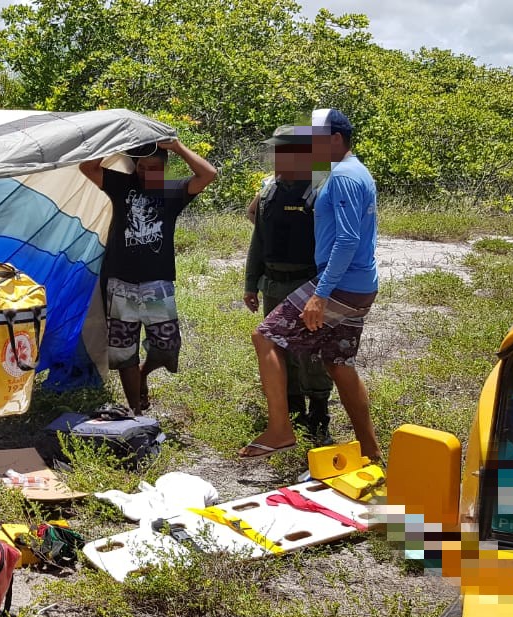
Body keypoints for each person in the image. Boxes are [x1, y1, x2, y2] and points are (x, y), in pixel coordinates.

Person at [242, 109, 381, 462]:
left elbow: (347, 240)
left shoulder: (342, 177)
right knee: (338, 362)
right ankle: (370, 450)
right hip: (359, 284)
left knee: (266, 335)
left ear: (335, 140)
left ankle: (280, 431)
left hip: (341, 286)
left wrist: (320, 294)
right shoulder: (353, 172)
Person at [78, 139, 217, 414]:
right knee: (123, 351)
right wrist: (115, 142)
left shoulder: (173, 191)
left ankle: (143, 373)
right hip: (120, 283)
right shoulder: (122, 185)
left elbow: (208, 174)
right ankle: (136, 413)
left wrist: (177, 147)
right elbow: (88, 167)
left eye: (153, 167)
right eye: (141, 167)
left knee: (167, 346)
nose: (145, 172)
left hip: (158, 283)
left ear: (164, 169)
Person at [242, 125, 335, 446]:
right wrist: (251, 283)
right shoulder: (268, 190)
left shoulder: (321, 190)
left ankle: (319, 411)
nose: (276, 158)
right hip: (274, 284)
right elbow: (259, 240)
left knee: (311, 351)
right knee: (280, 349)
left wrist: (323, 291)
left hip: (308, 284)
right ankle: (292, 409)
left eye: (283, 152)